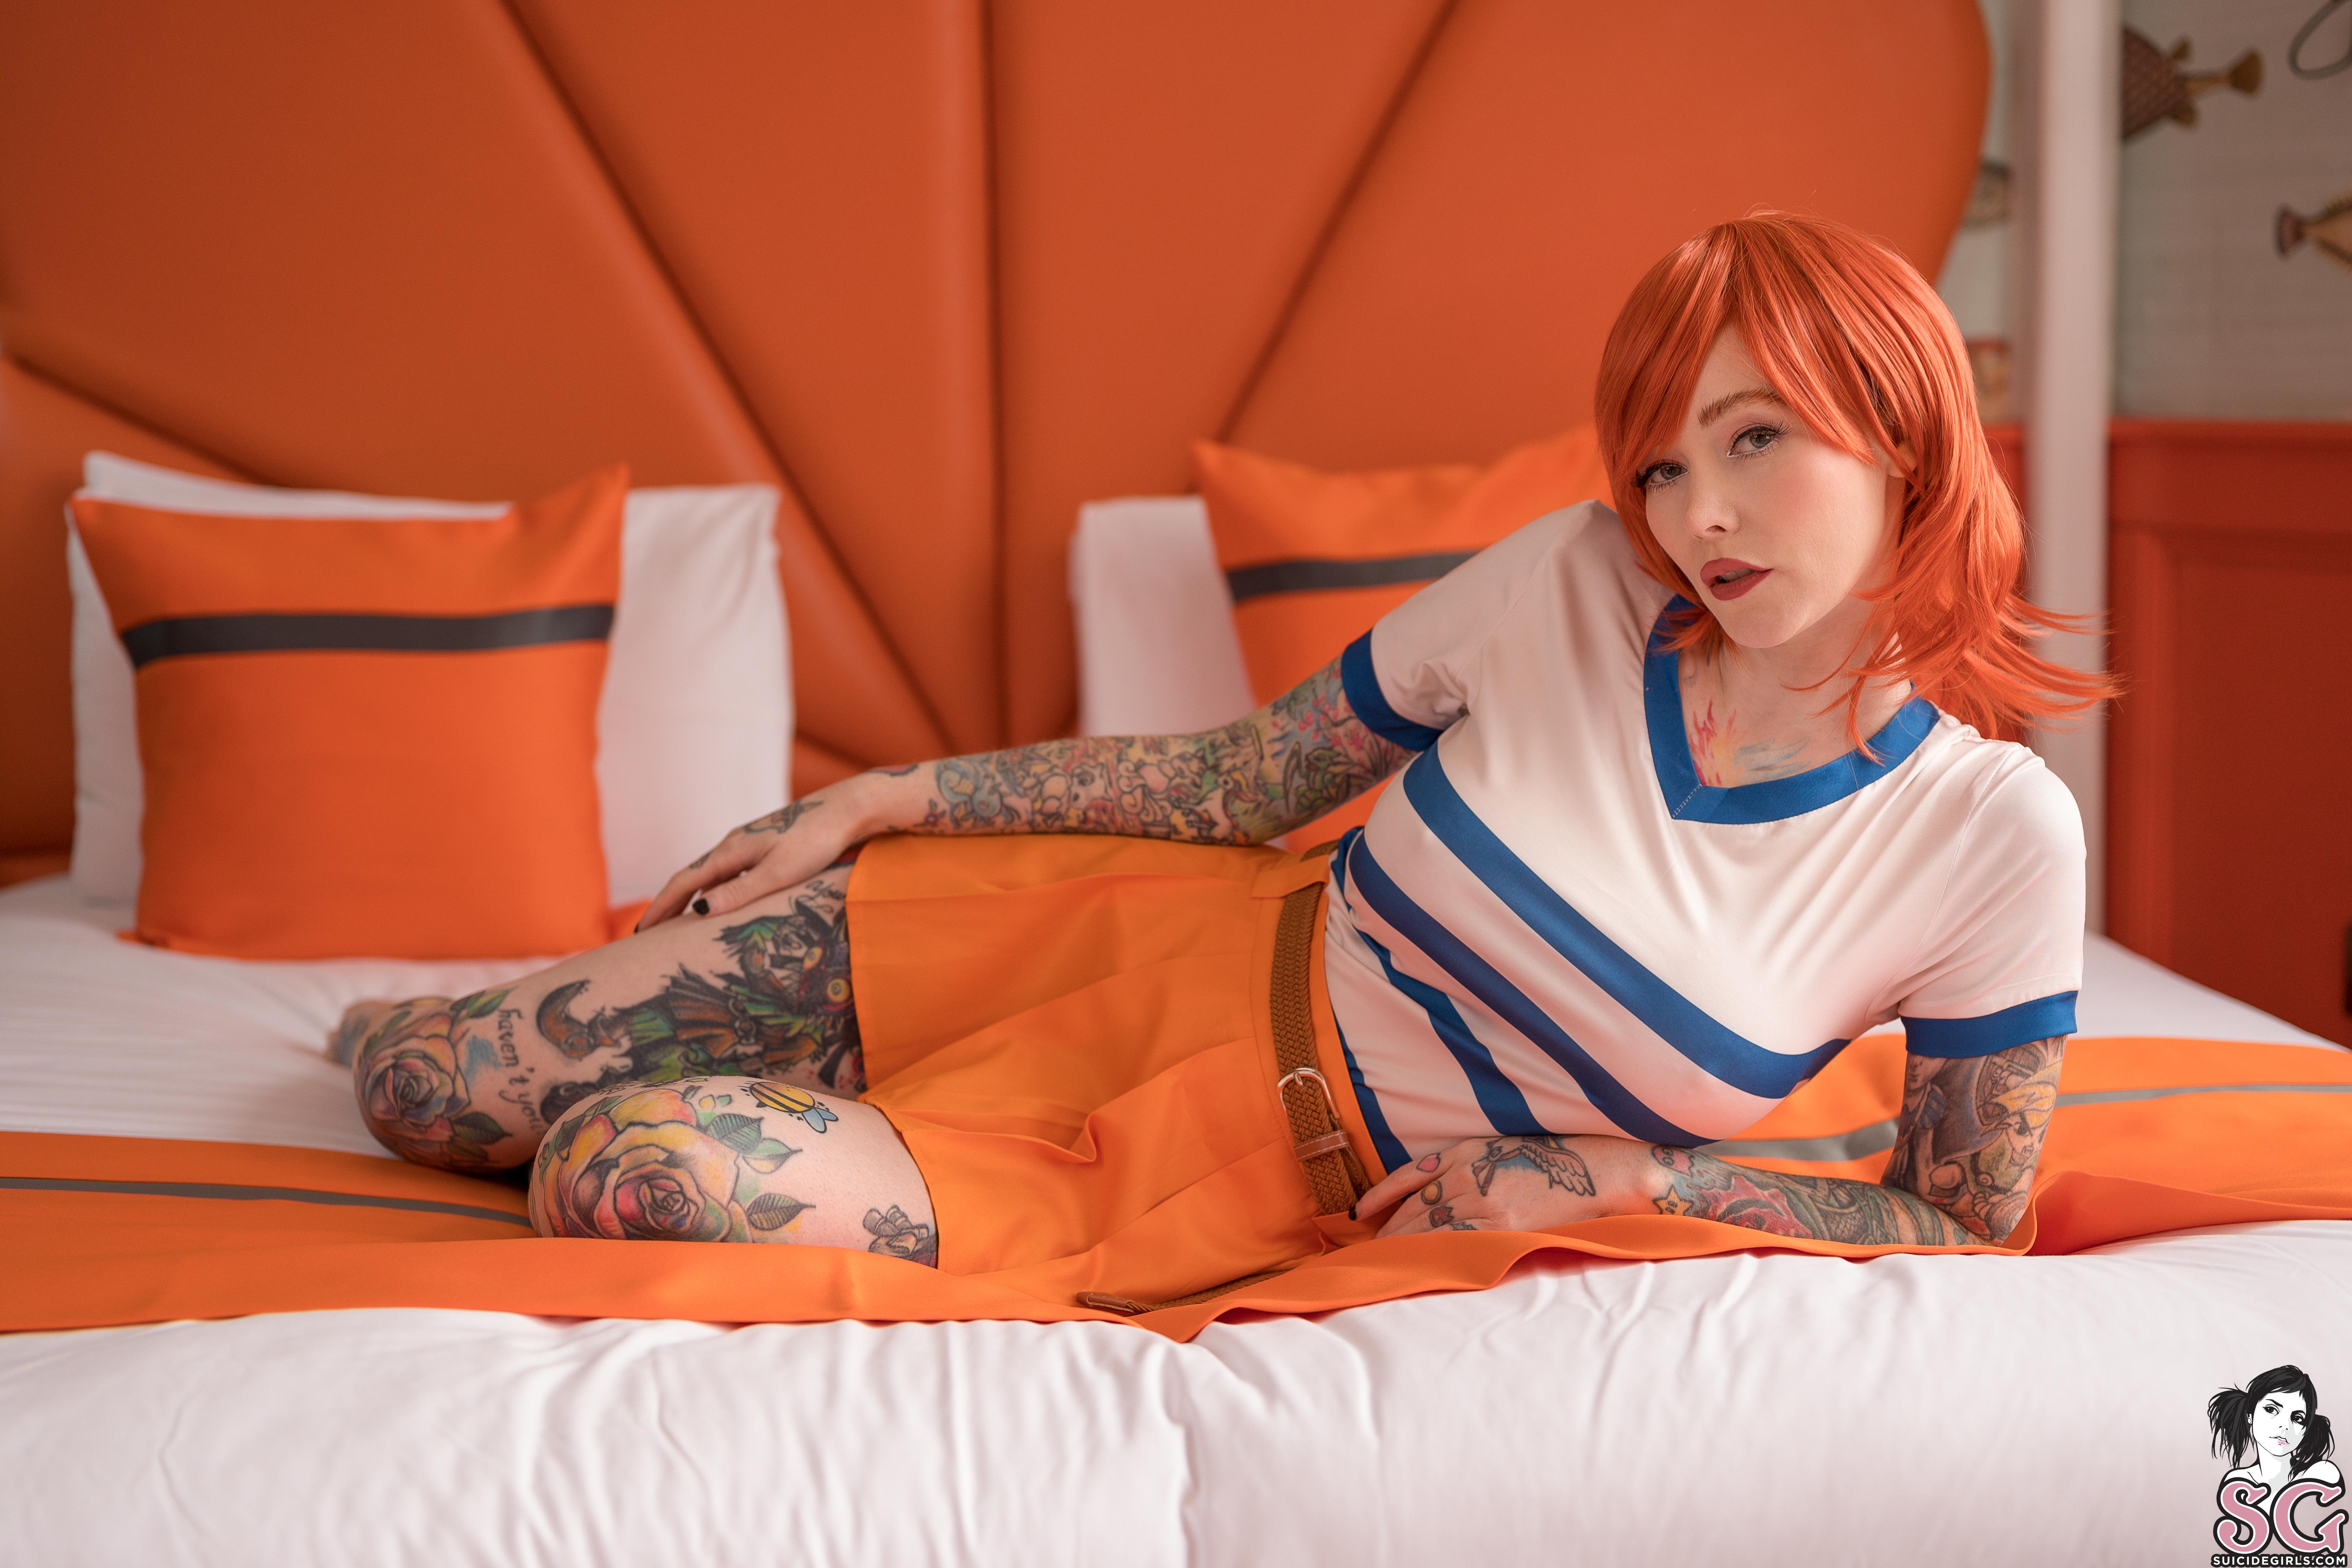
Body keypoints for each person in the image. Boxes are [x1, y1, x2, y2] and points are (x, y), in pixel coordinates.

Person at [336, 211, 2105, 1303]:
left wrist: (1648, 1181)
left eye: (1752, 438)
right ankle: (422, 1018)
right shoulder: (1573, 580)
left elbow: (1959, 1217)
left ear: (1900, 425)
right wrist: (884, 792)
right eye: (1659, 461)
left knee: (619, 1172)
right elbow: (1241, 781)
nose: (1693, 512)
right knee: (423, 1091)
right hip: (1098, 936)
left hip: (1228, 1176)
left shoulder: (1987, 835)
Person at [2209, 1367, 2343, 1550]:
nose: (2285, 1426)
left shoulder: (2321, 1474)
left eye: (2298, 1418)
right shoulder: (2237, 1483)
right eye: (2271, 1409)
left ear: (2305, 1431)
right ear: (2250, 1416)